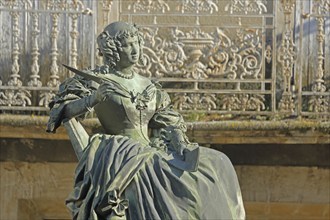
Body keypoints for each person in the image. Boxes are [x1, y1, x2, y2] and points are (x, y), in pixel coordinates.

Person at [47, 21, 245, 220]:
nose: (135, 49)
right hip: (118, 154)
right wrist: (93, 99)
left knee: (217, 163)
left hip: (152, 151)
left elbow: (169, 121)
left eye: (136, 43)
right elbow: (61, 110)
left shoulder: (149, 85)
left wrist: (180, 143)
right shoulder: (95, 79)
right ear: (113, 49)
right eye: (127, 45)